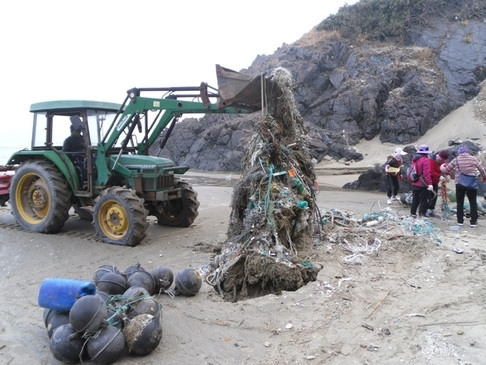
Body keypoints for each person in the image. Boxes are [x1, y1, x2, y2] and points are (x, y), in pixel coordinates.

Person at [440, 145, 486, 227]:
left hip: (460, 183)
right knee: (473, 202)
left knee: (460, 202)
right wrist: (484, 177)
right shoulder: (473, 159)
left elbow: (446, 170)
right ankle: (473, 222)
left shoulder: (456, 160)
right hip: (471, 183)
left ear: (459, 152)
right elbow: (481, 169)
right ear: (467, 152)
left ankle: (460, 221)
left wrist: (442, 167)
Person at [410, 144, 434, 218]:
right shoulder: (425, 160)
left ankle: (413, 213)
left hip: (414, 182)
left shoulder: (415, 159)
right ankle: (422, 214)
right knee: (423, 200)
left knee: (415, 199)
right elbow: (426, 173)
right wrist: (430, 184)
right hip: (422, 183)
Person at [426, 150, 449, 217]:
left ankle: (431, 210)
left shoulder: (442, 161)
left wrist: (448, 174)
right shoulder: (431, 161)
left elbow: (446, 167)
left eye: (443, 160)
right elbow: (431, 172)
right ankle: (426, 210)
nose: (441, 161)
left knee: (435, 196)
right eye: (440, 159)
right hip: (429, 181)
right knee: (428, 196)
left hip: (435, 181)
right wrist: (439, 176)